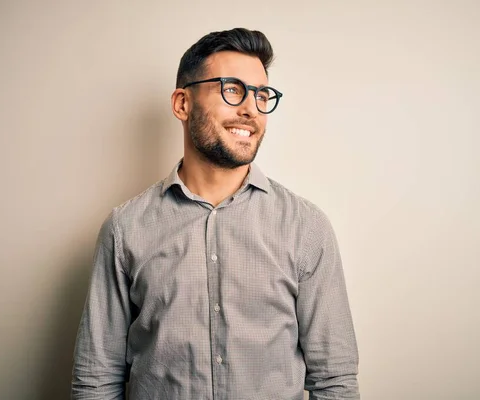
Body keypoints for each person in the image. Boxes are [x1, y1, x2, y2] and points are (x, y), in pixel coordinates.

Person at [72, 27, 359, 400]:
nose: (251, 109)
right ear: (182, 104)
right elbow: (96, 379)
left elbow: (334, 380)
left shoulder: (306, 228)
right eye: (232, 89)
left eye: (261, 95)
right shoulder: (125, 229)